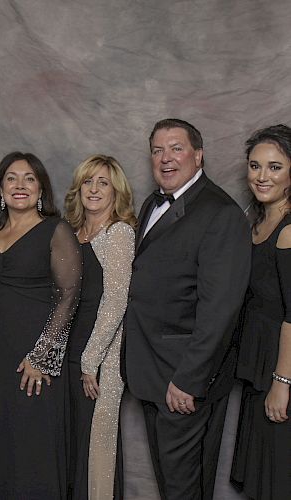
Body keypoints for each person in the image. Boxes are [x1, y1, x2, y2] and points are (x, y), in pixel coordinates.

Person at [123, 118, 251, 500]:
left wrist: (189, 380)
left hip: (183, 379)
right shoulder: (153, 203)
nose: (166, 158)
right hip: (151, 369)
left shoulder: (220, 214)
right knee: (173, 484)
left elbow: (220, 310)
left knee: (182, 487)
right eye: (158, 150)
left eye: (176, 148)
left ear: (198, 155)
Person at [0, 151, 82, 499]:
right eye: (11, 178)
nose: (20, 185)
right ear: (0, 189)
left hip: (35, 361)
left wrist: (41, 356)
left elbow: (69, 295)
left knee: (34, 449)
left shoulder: (56, 229)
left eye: (29, 179)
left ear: (41, 189)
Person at [64, 154, 136, 499]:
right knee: (73, 443)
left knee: (97, 449)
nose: (94, 189)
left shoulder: (118, 233)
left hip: (99, 360)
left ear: (115, 191)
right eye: (88, 182)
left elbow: (116, 301)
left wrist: (90, 360)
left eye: (103, 182)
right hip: (67, 353)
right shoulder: (71, 233)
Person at [230, 124, 291, 500]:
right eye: (255, 166)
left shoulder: (288, 230)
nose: (261, 176)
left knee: (278, 480)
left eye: (274, 167)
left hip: (281, 370)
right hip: (259, 369)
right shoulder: (257, 223)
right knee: (261, 479)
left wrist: (282, 385)